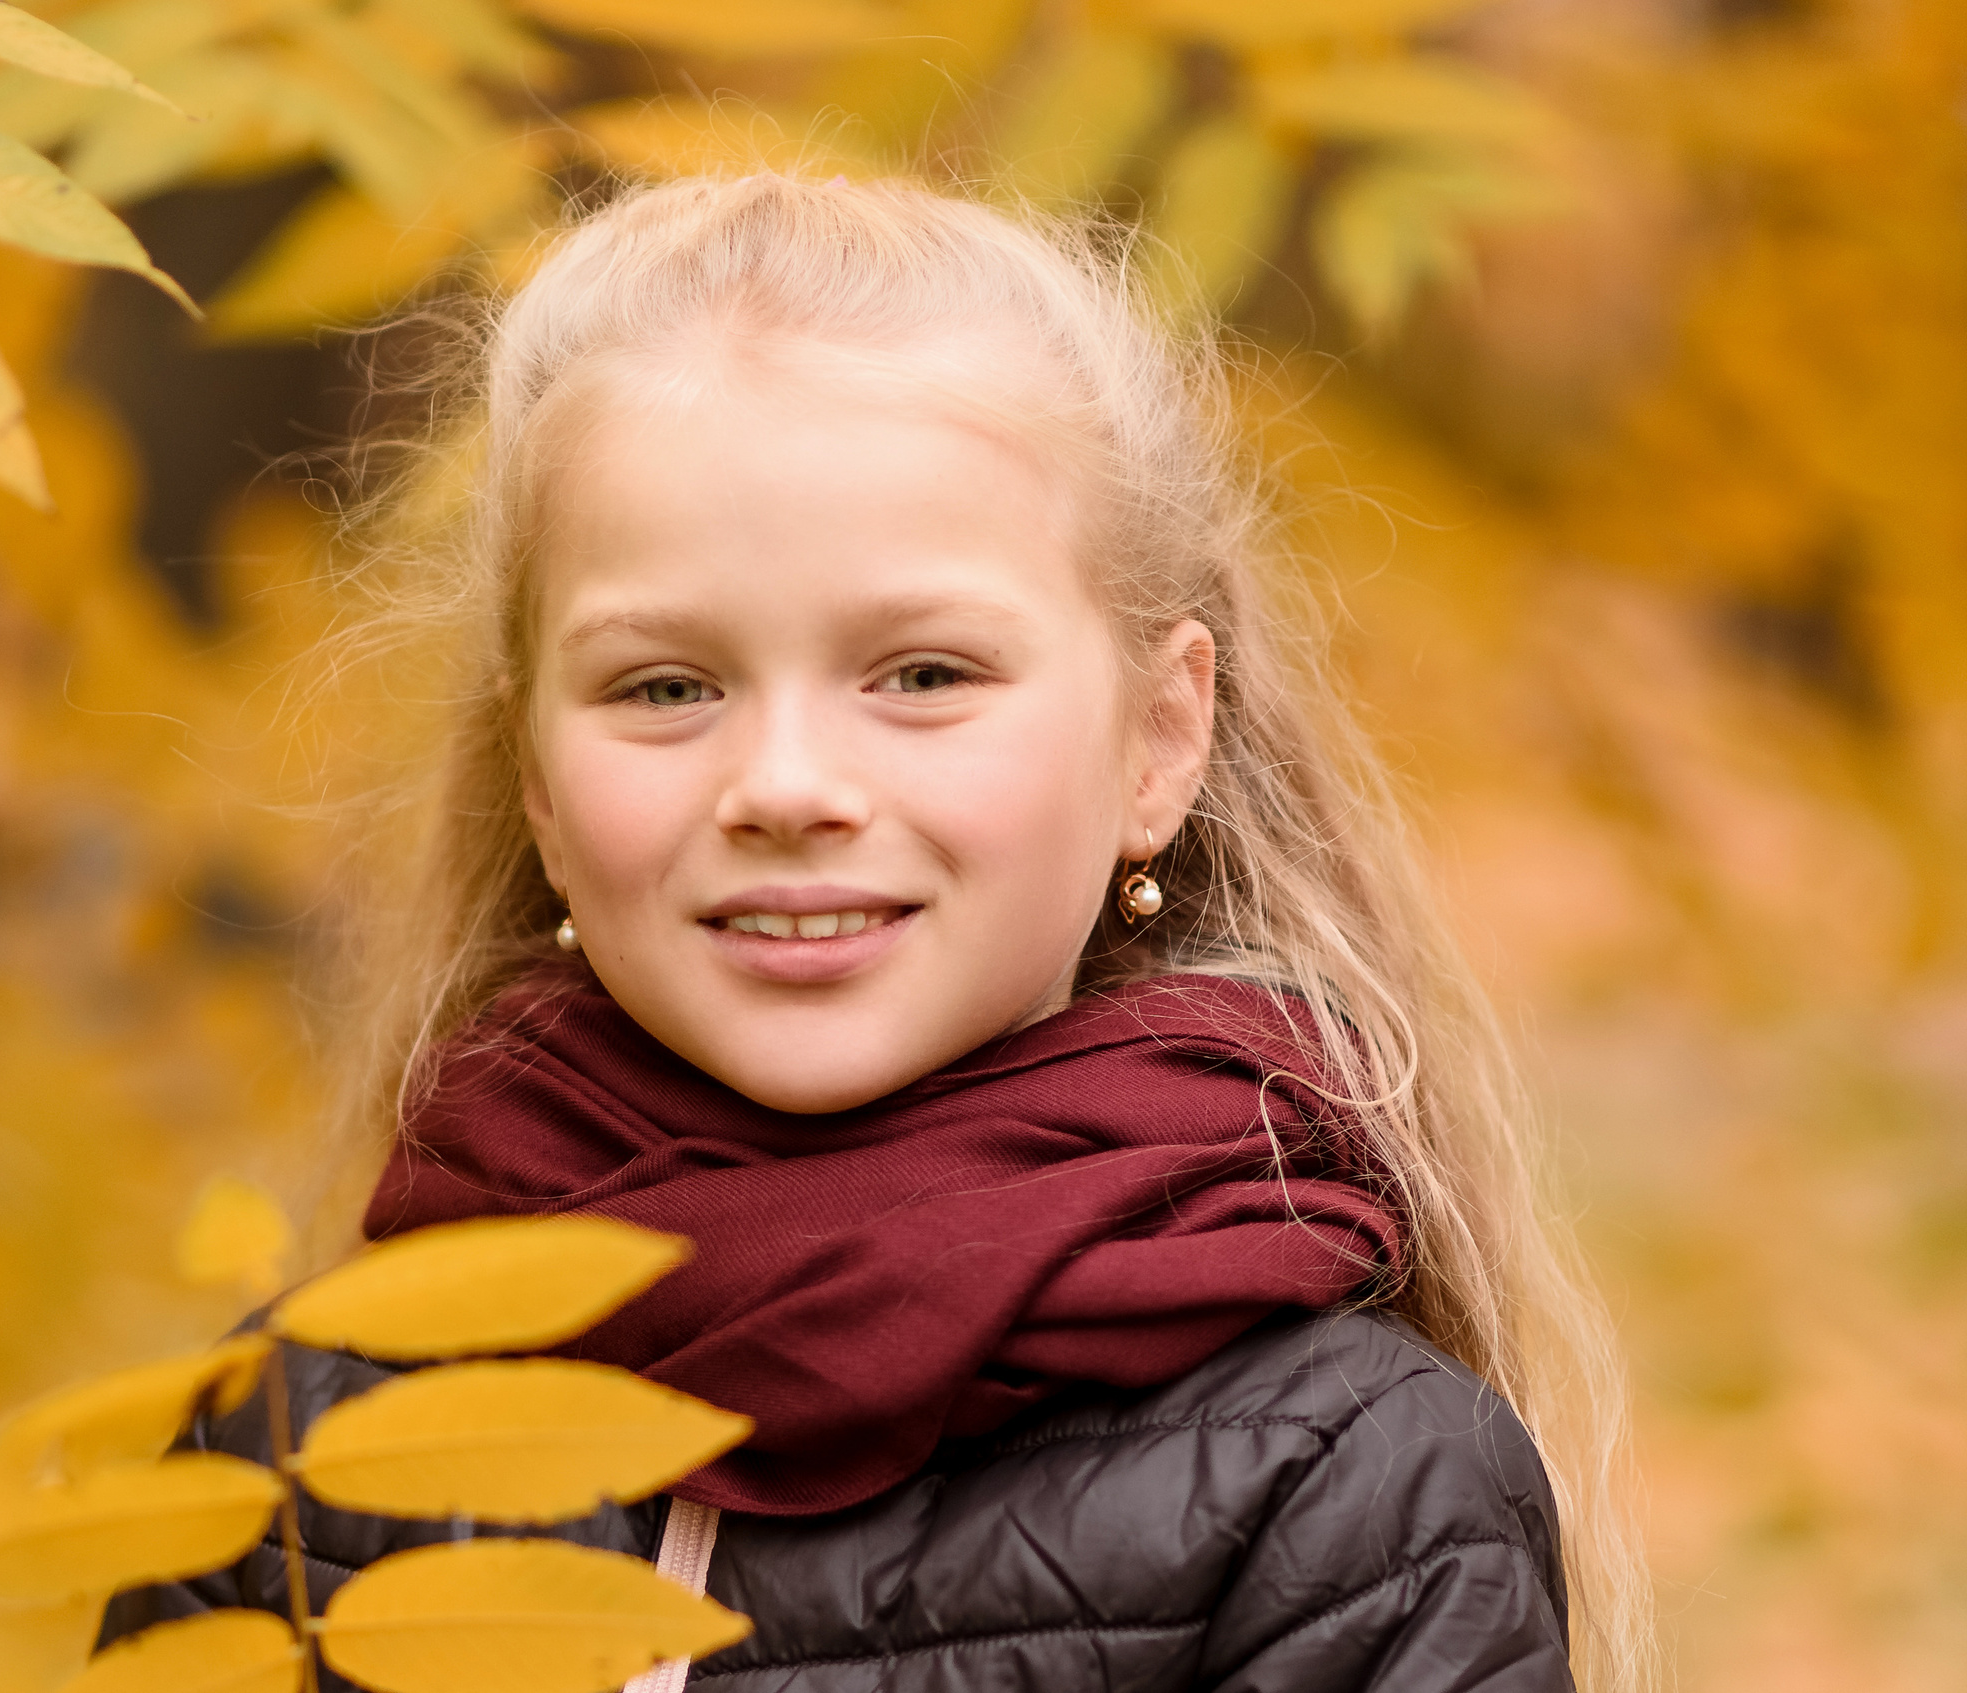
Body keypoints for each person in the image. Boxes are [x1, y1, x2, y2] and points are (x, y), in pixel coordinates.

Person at [101, 173, 1651, 1692]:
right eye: (665, 687)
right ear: (540, 786)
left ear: (1161, 740)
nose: (786, 784)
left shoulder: (1339, 1486)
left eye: (921, 675)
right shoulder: (300, 1453)